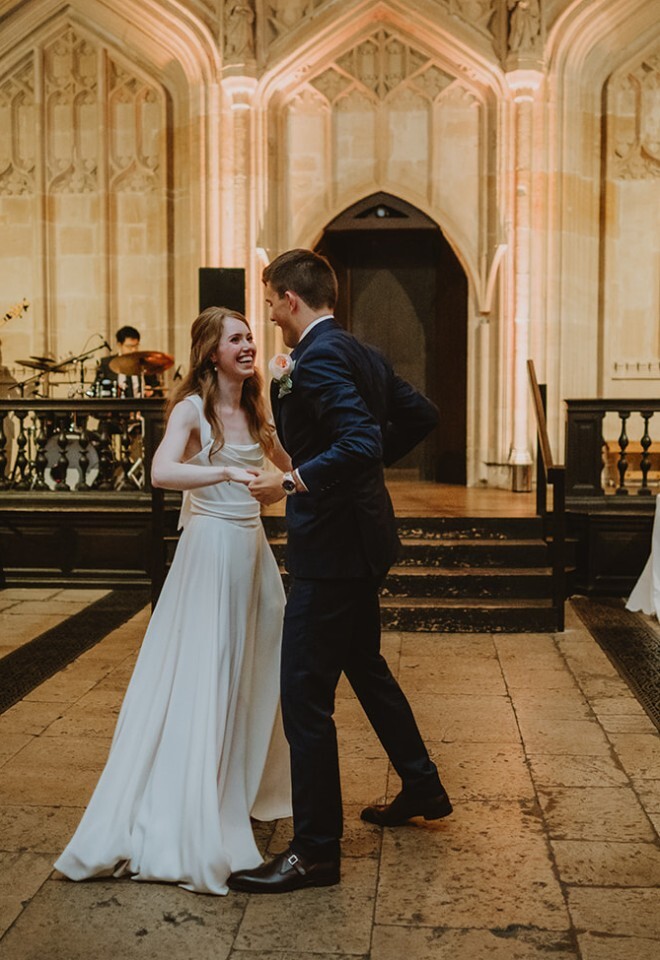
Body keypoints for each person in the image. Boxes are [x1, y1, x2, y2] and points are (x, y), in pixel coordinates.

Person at [228, 249, 452, 895]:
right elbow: (419, 418)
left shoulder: (320, 358)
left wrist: (295, 480)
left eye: (271, 302)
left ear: (291, 300)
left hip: (331, 547)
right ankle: (421, 782)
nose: (269, 314)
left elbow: (357, 441)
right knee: (365, 664)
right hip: (362, 540)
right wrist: (357, 470)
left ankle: (315, 852)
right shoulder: (364, 352)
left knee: (302, 694)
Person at [54, 306, 292, 895]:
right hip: (210, 554)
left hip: (252, 556)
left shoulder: (258, 408)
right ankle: (190, 798)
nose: (248, 346)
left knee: (253, 669)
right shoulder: (194, 409)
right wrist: (220, 475)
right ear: (212, 351)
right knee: (206, 671)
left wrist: (295, 466)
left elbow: (286, 465)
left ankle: (234, 780)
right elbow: (161, 471)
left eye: (250, 338)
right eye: (235, 339)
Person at [96, 325, 162, 398]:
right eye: (129, 347)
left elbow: (158, 390)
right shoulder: (106, 364)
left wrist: (151, 391)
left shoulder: (145, 364)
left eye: (136, 346)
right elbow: (97, 390)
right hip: (115, 407)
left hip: (140, 407)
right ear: (119, 345)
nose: (134, 350)